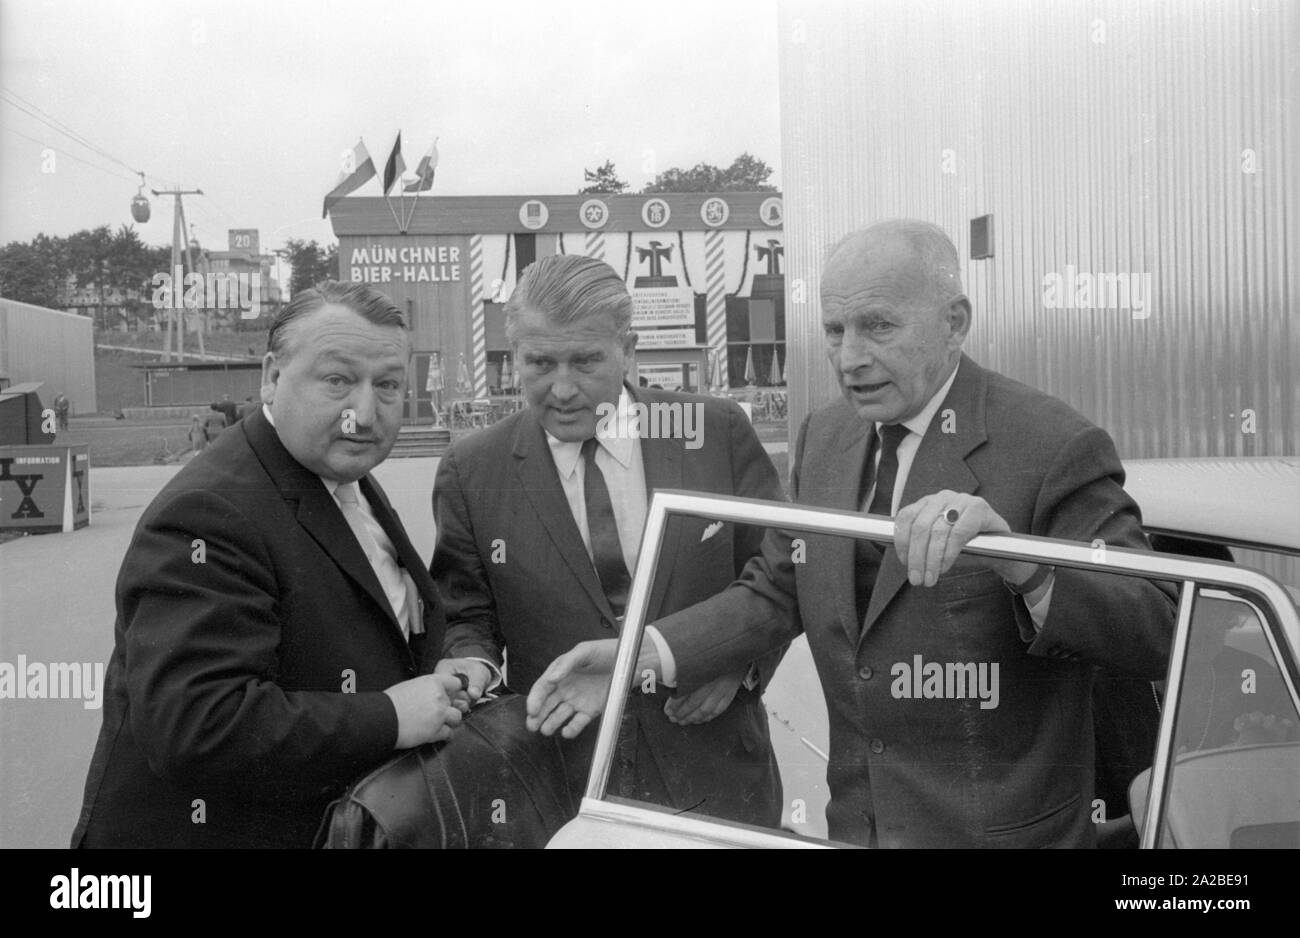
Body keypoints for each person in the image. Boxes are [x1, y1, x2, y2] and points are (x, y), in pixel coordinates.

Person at [528, 220, 1178, 848]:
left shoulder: (1051, 443)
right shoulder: (827, 438)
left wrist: (1022, 565)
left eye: (878, 327)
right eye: (834, 330)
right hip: (855, 830)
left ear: (955, 323)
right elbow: (778, 591)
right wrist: (637, 656)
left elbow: (1158, 625)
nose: (849, 357)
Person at [72, 281, 464, 848]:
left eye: (388, 385)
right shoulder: (209, 511)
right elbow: (198, 724)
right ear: (272, 378)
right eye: (337, 380)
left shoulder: (336, 473)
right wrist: (391, 717)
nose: (364, 410)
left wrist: (444, 670)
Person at [431, 254, 786, 827]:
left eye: (587, 360)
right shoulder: (472, 470)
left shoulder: (714, 433)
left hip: (715, 775)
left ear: (629, 349)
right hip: (560, 785)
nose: (563, 388)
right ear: (512, 357)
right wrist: (470, 665)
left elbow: (779, 574)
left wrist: (734, 661)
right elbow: (466, 613)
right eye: (539, 363)